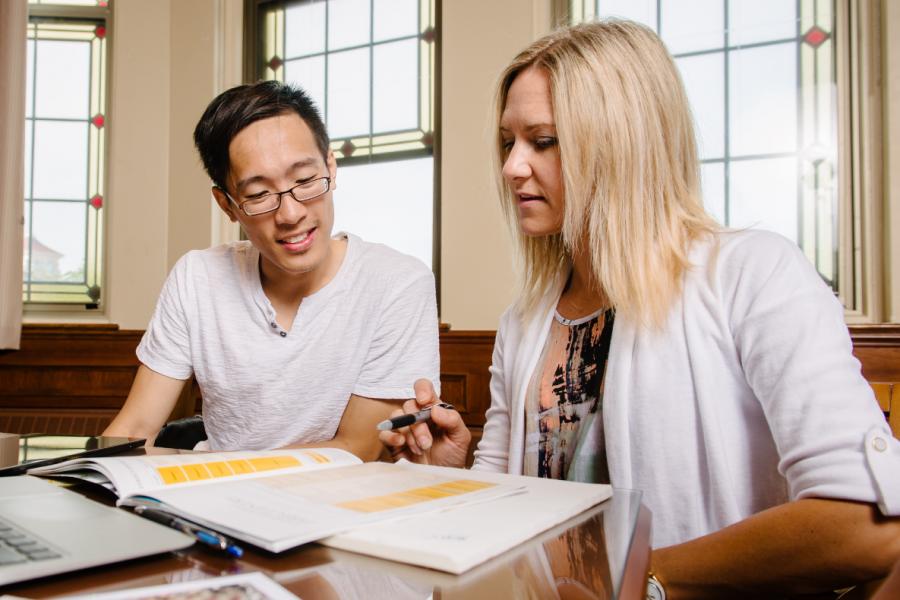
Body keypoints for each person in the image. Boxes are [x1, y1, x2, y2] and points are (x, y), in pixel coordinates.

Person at [380, 20, 900, 598]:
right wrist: (452, 472)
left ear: (621, 144)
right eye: (508, 142)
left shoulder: (754, 274)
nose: (511, 168)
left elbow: (867, 527)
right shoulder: (524, 320)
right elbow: (506, 511)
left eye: (543, 141)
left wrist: (640, 577)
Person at [104, 81, 440, 458]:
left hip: (338, 505)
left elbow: (355, 449)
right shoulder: (197, 278)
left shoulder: (398, 283)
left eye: (305, 181)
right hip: (212, 500)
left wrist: (219, 471)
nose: (291, 214)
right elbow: (134, 428)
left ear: (330, 166)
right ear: (227, 204)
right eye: (259, 194)